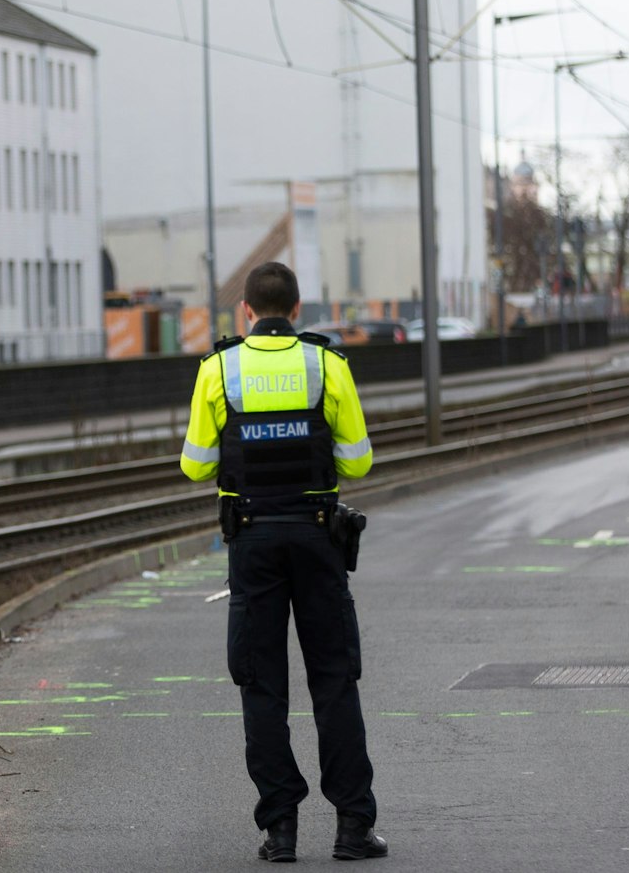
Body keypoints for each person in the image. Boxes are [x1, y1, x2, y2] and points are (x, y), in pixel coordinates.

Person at [179, 262, 387, 863]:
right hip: (319, 540)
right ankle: (353, 828)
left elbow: (195, 465)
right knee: (334, 680)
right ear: (297, 311)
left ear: (246, 311)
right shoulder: (328, 365)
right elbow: (358, 462)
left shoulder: (219, 370)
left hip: (251, 543)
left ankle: (281, 831)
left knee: (262, 685)